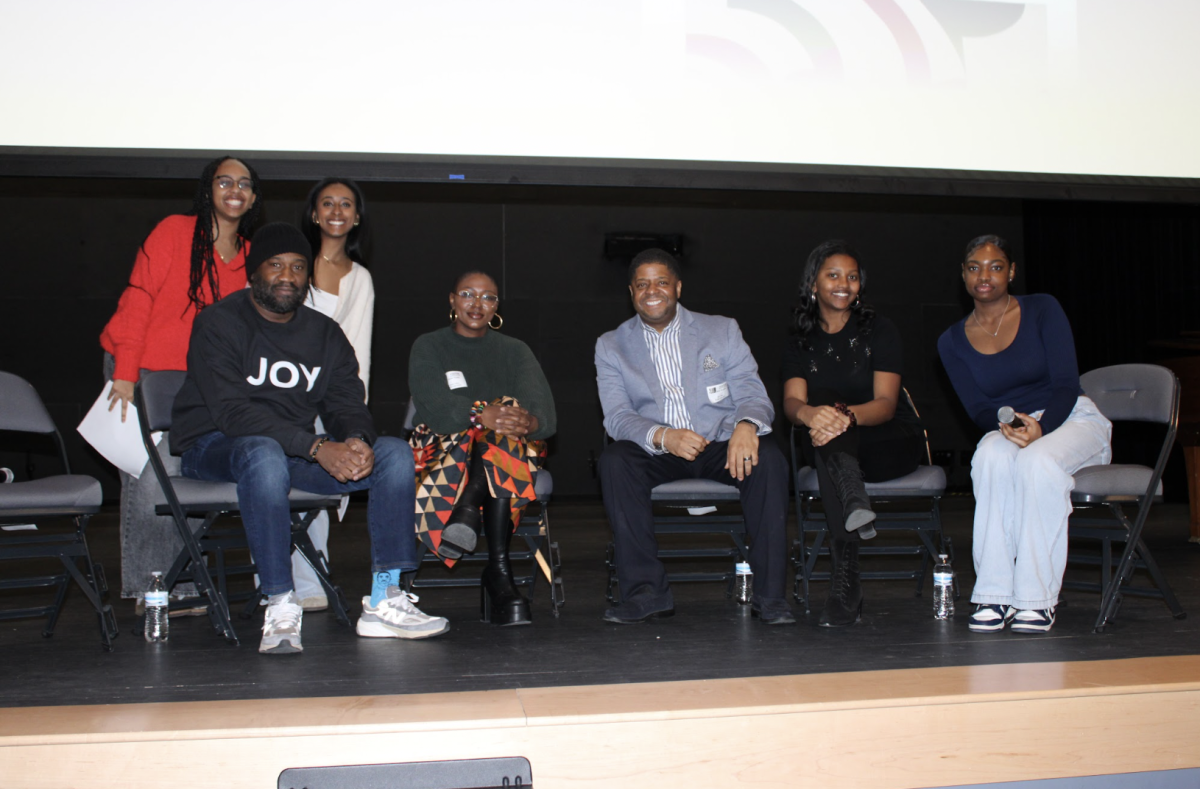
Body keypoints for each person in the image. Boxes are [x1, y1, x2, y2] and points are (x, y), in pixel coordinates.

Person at [170, 222, 448, 654]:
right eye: (275, 265)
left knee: (391, 453)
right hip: (216, 446)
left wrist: (355, 439)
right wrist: (318, 447)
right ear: (254, 271)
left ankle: (385, 597)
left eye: (298, 267)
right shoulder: (219, 323)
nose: (287, 276)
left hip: (293, 451)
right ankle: (280, 601)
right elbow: (233, 412)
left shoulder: (323, 333)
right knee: (262, 452)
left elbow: (346, 401)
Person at [595, 248, 792, 624]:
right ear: (631, 292)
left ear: (678, 287)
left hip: (721, 445)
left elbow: (752, 393)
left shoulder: (722, 330)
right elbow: (618, 417)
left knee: (768, 458)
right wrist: (664, 436)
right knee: (615, 461)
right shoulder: (611, 345)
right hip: (658, 452)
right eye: (642, 284)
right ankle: (646, 593)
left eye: (662, 282)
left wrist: (747, 426)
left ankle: (770, 597)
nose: (652, 290)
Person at [99, 156, 260, 606]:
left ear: (253, 197)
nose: (234, 189)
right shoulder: (174, 231)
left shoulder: (249, 257)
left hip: (196, 383)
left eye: (244, 184)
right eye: (224, 181)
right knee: (151, 478)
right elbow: (139, 297)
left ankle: (183, 582)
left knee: (187, 474)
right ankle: (154, 588)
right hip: (142, 370)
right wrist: (127, 372)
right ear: (208, 189)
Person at [938, 234, 1111, 634]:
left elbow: (1067, 383)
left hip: (1071, 418)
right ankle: (995, 594)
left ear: (1011, 272)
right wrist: (1012, 425)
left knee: (1037, 461)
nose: (985, 275)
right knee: (990, 456)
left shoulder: (1041, 309)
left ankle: (1036, 599)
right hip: (1013, 425)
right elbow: (977, 408)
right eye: (975, 267)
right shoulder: (950, 340)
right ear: (963, 275)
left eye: (996, 266)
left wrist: (1043, 428)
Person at [782, 240, 926, 627]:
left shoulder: (880, 330)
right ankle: (849, 566)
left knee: (829, 428)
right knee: (824, 407)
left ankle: (845, 585)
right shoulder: (799, 337)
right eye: (833, 275)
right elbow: (793, 404)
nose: (844, 283)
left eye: (852, 277)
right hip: (838, 447)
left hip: (889, 441)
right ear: (814, 283)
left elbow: (885, 405)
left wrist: (840, 417)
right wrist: (813, 413)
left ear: (861, 286)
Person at [408, 271, 556, 626]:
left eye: (488, 297)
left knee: (502, 429)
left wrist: (526, 422)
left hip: (510, 450)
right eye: (468, 294)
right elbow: (436, 409)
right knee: (496, 428)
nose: (477, 304)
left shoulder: (515, 350)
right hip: (442, 448)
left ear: (496, 306)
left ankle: (466, 511)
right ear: (452, 300)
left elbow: (545, 417)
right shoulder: (428, 345)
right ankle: (499, 574)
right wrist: (481, 413)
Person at [289, 178, 376, 612]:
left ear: (356, 216)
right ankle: (271, 577)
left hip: (330, 397)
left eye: (346, 204)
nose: (337, 211)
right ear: (314, 213)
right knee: (271, 479)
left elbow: (359, 353)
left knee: (322, 482)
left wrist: (352, 420)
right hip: (282, 394)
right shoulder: (291, 265)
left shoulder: (361, 279)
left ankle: (310, 577)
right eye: (328, 203)